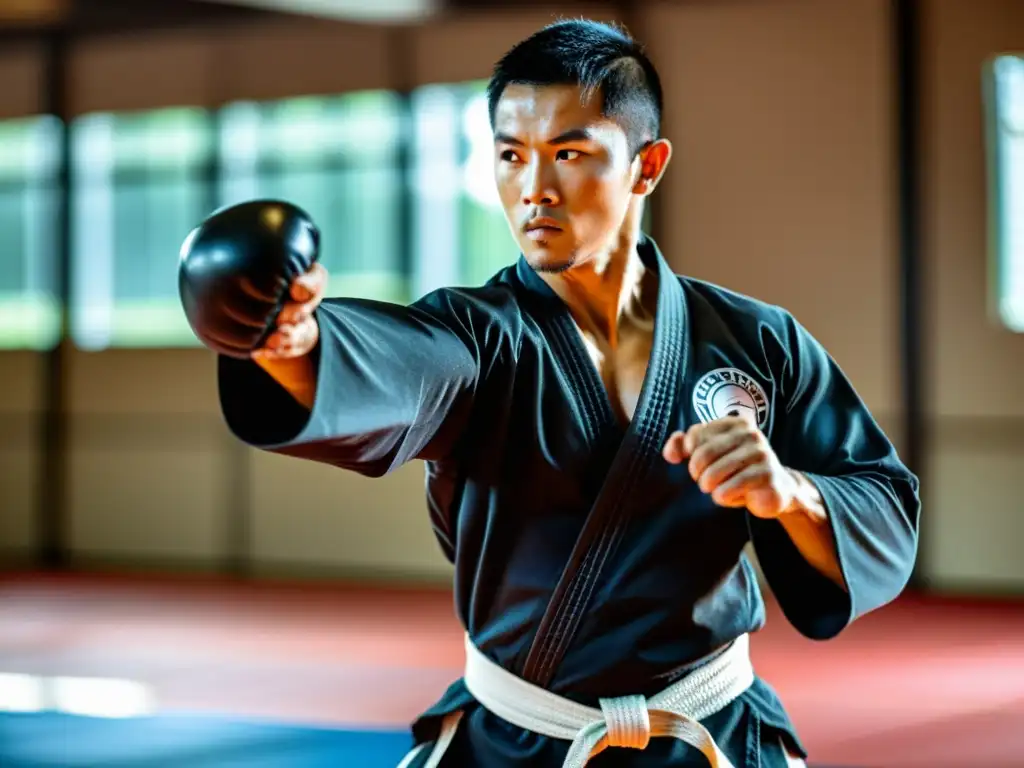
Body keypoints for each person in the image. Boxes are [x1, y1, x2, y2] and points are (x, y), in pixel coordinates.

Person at [178, 18, 920, 768]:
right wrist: (289, 341)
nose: (534, 189)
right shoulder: (476, 336)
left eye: (569, 154)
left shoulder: (756, 341)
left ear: (646, 166)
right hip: (517, 744)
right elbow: (391, 366)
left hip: (710, 738)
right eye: (511, 155)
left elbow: (882, 503)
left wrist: (788, 493)